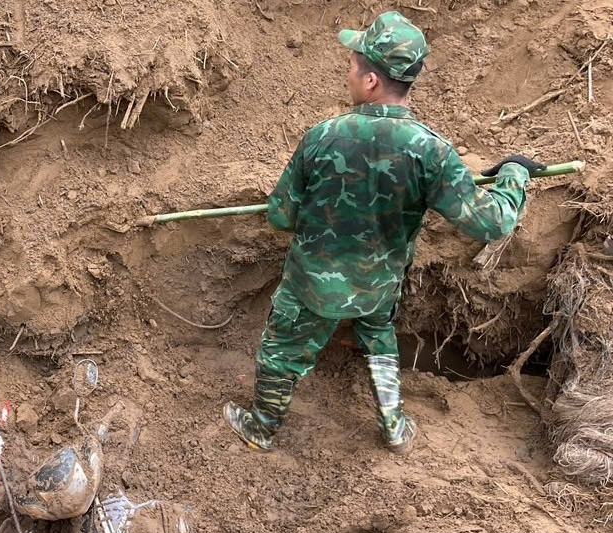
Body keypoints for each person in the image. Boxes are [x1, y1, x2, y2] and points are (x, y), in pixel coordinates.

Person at [223, 11, 545, 455]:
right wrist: (513, 174)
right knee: (377, 333)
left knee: (283, 349)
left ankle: (262, 428)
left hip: (313, 284)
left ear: (371, 80)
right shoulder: (431, 151)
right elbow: (492, 222)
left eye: (353, 65)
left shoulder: (323, 136)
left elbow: (280, 216)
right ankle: (393, 425)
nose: (348, 73)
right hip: (378, 284)